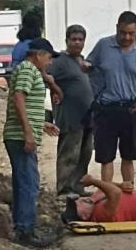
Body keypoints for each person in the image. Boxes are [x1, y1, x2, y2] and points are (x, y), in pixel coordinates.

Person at [85, 11, 136, 187]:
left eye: (131, 33)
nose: (126, 37)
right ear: (117, 28)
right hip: (106, 109)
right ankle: (106, 192)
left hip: (132, 109)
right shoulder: (103, 46)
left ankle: (127, 191)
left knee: (129, 155)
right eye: (123, 32)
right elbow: (89, 65)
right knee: (106, 157)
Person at [3, 38, 61, 248]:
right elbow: (19, 98)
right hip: (20, 136)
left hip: (19, 134)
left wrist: (41, 124)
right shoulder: (28, 69)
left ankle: (23, 227)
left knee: (24, 182)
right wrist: (28, 132)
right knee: (29, 183)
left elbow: (24, 104)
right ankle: (26, 231)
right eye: (48, 58)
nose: (49, 63)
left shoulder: (26, 69)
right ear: (38, 54)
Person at [47, 25, 93, 197]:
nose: (77, 43)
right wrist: (55, 90)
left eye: (80, 40)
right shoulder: (60, 61)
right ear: (67, 41)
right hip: (70, 116)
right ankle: (65, 188)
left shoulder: (82, 61)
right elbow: (45, 75)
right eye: (73, 39)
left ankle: (78, 187)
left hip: (87, 117)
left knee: (85, 154)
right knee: (69, 154)